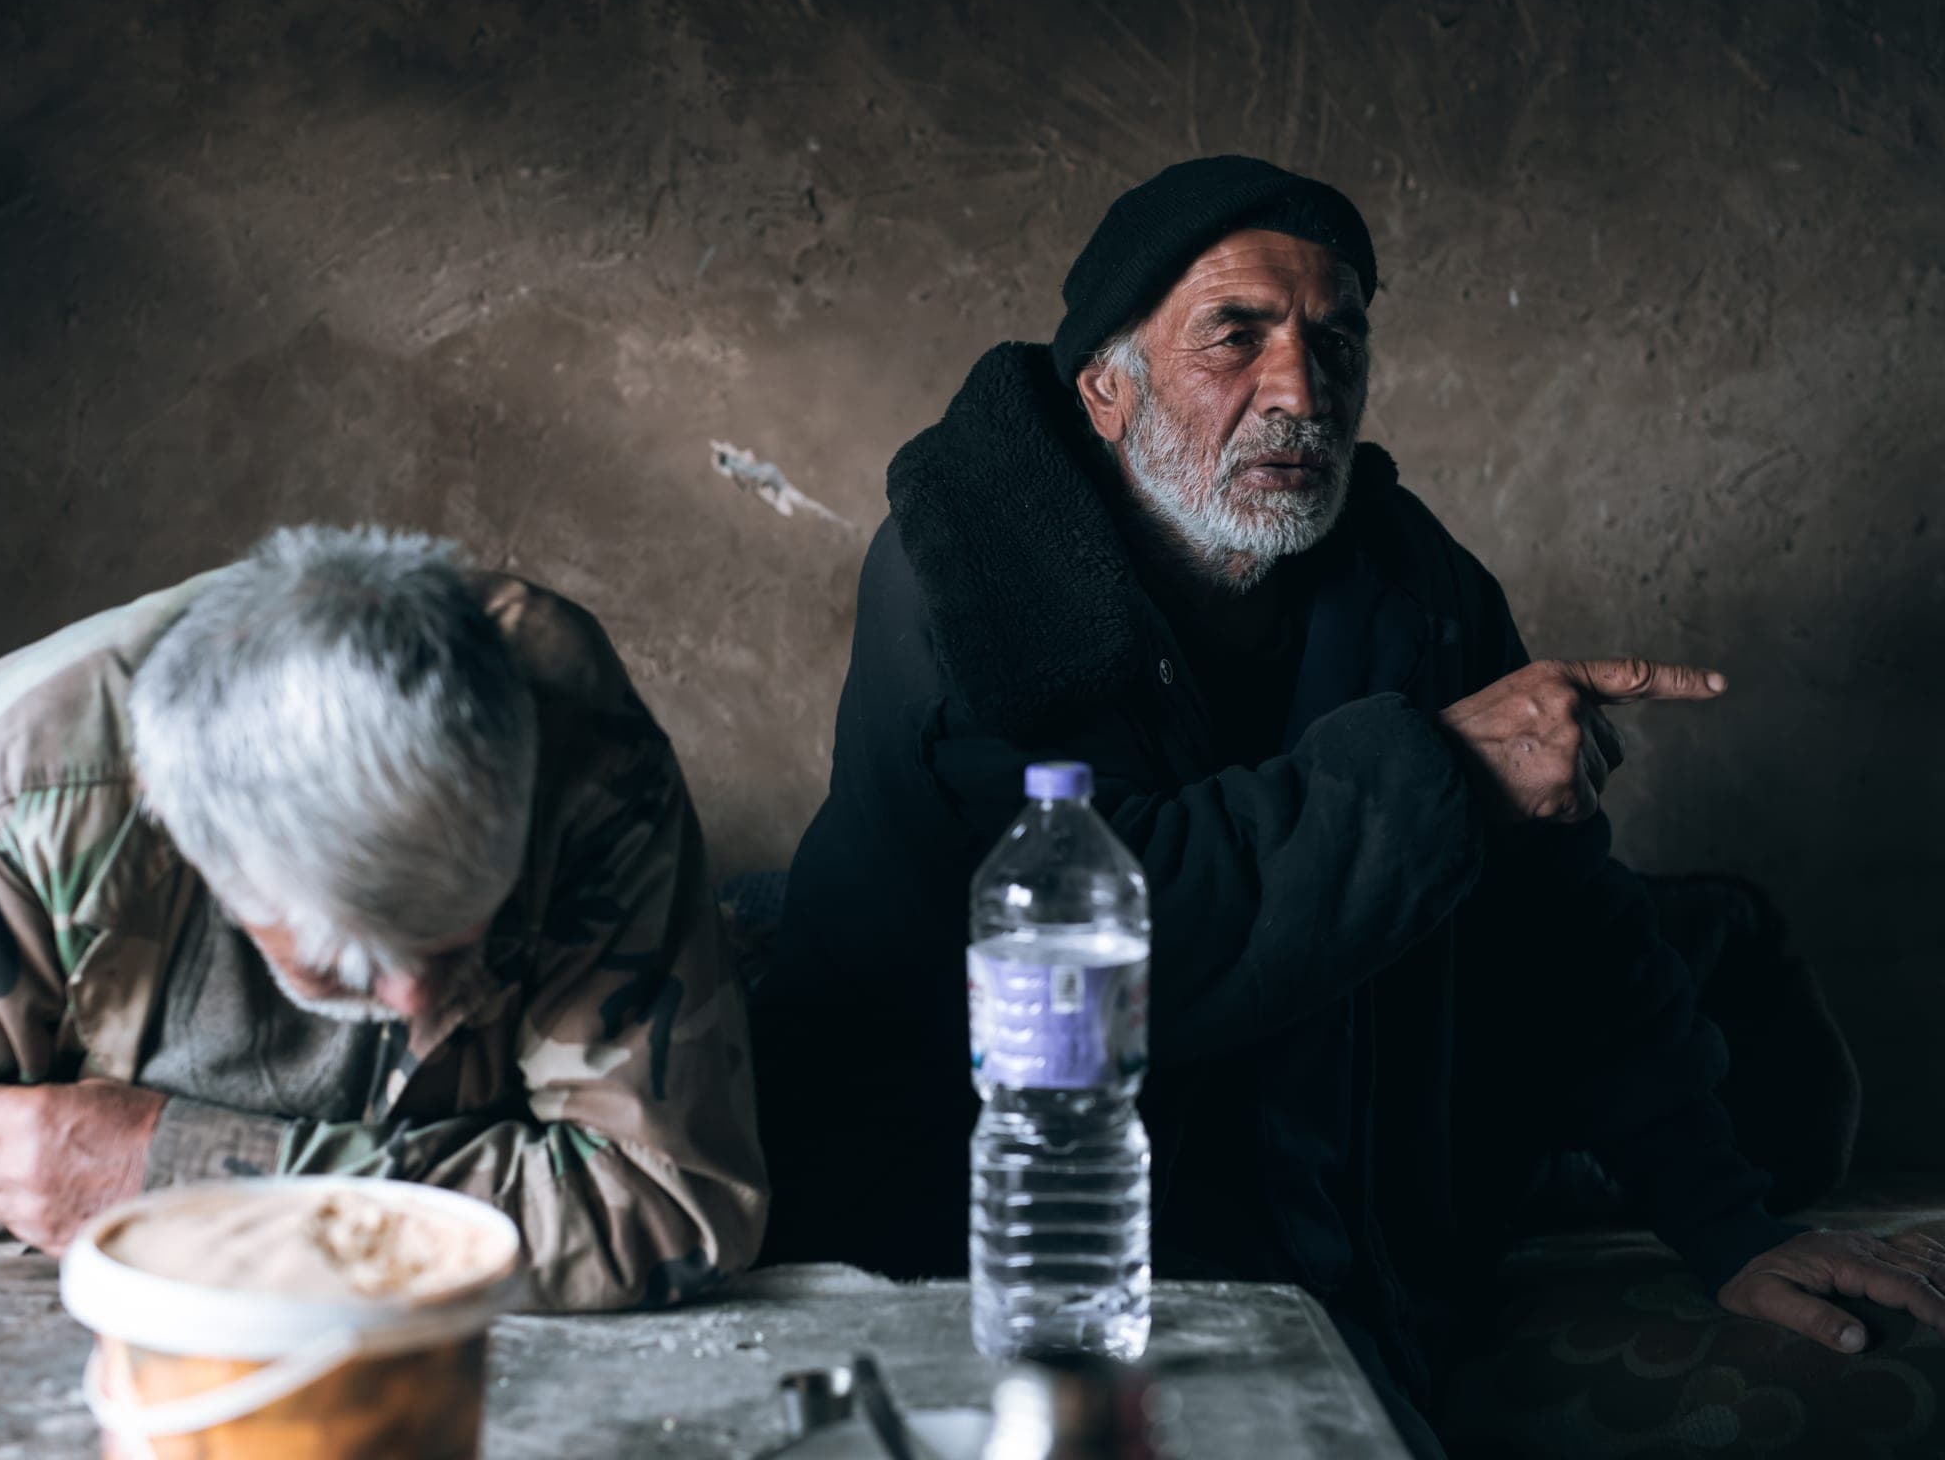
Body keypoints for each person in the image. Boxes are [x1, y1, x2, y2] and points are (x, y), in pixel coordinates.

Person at [752, 156, 1945, 1450]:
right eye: (1237, 337)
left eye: (1336, 340)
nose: (1299, 392)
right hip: (983, 1227)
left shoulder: (1413, 583)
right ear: (1107, 386)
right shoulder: (976, 579)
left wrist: (1728, 1227)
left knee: (1720, 994)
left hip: (1328, 1200)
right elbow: (1116, 943)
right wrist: (1443, 772)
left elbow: (1566, 924)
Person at [0, 524, 765, 1310]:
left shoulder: (577, 745)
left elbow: (665, 1204)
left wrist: (192, 1188)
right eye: (352, 962)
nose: (417, 1000)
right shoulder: (28, 782)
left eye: (458, 931)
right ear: (195, 842)